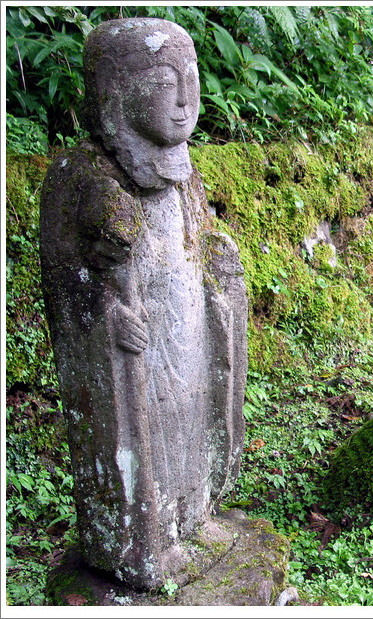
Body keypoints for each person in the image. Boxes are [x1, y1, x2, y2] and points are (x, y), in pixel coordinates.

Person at [40, 18, 247, 589]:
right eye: (163, 82)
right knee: (150, 425)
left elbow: (199, 241)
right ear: (116, 91)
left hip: (185, 327)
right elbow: (64, 279)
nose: (185, 101)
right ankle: (143, 541)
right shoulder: (79, 176)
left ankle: (192, 514)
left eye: (192, 80)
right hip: (137, 343)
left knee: (189, 416)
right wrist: (106, 316)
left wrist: (219, 276)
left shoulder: (187, 174)